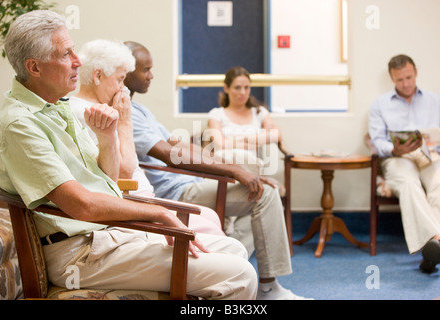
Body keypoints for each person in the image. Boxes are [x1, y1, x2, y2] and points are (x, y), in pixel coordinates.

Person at [0, 10, 257, 299]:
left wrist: (108, 137)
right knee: (239, 274)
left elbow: (108, 181)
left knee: (235, 249)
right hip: (79, 253)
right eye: (65, 53)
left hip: (105, 235)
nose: (78, 61)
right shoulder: (20, 123)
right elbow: (81, 205)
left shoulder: (57, 105)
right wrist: (159, 214)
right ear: (34, 67)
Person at [125, 41, 310, 300]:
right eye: (146, 70)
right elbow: (168, 154)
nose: (151, 75)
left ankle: (239, 273)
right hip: (175, 193)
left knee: (260, 191)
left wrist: (234, 170)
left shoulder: (140, 109)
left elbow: (178, 145)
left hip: (188, 183)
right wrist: (233, 170)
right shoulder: (126, 113)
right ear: (124, 71)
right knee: (265, 196)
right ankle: (268, 289)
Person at [70, 39, 224, 236]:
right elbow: (124, 172)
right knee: (210, 227)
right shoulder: (92, 113)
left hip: (142, 199)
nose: (123, 89)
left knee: (210, 217)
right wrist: (125, 122)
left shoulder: (100, 108)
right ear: (98, 76)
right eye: (119, 80)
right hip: (130, 205)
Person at [368, 54, 440, 273]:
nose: (405, 84)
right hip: (399, 158)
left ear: (415, 73)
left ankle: (433, 247)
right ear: (392, 78)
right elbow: (378, 141)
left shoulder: (437, 101)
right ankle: (438, 241)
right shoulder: (380, 105)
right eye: (399, 80)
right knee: (408, 183)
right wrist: (393, 148)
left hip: (431, 156)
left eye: (408, 78)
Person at [207, 66, 281, 177]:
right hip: (225, 166)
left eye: (247, 87)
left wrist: (243, 139)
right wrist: (256, 141)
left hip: (251, 167)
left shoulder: (259, 112)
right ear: (226, 88)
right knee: (226, 156)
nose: (243, 92)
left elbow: (276, 135)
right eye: (237, 88)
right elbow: (221, 145)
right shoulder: (216, 114)